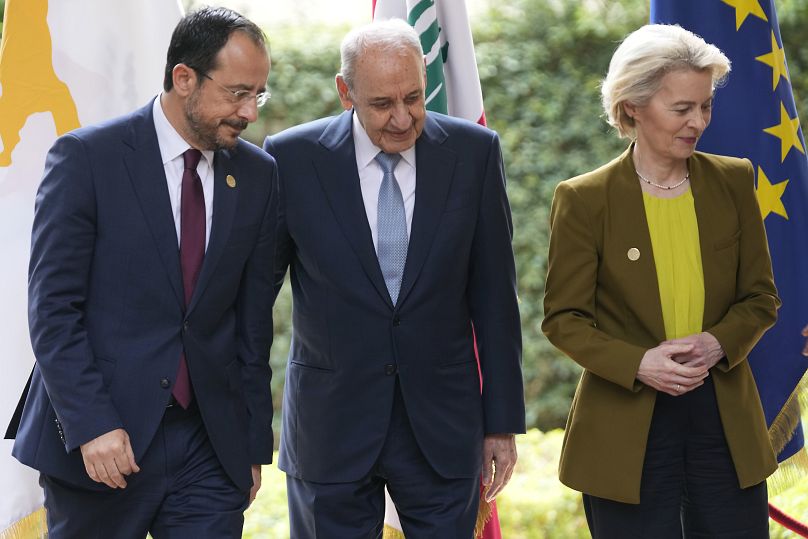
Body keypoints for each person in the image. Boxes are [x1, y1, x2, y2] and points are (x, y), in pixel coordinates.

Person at [6, 8, 277, 538]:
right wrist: (92, 425)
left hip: (208, 447)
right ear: (184, 78)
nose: (249, 112)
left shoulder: (257, 175)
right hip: (103, 446)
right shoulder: (87, 159)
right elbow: (53, 310)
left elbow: (252, 322)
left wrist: (249, 443)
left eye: (258, 95)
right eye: (237, 93)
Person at [264, 19, 525, 538]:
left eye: (414, 97)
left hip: (442, 427)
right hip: (330, 427)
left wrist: (501, 422)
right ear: (346, 92)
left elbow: (495, 299)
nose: (403, 119)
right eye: (383, 103)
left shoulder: (475, 154)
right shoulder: (289, 158)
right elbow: (254, 298)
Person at [542, 24, 780, 538]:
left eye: (705, 106)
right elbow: (564, 320)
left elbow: (761, 297)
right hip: (625, 432)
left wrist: (718, 343)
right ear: (632, 106)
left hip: (724, 425)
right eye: (682, 109)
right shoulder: (584, 199)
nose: (698, 121)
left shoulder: (735, 181)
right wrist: (640, 364)